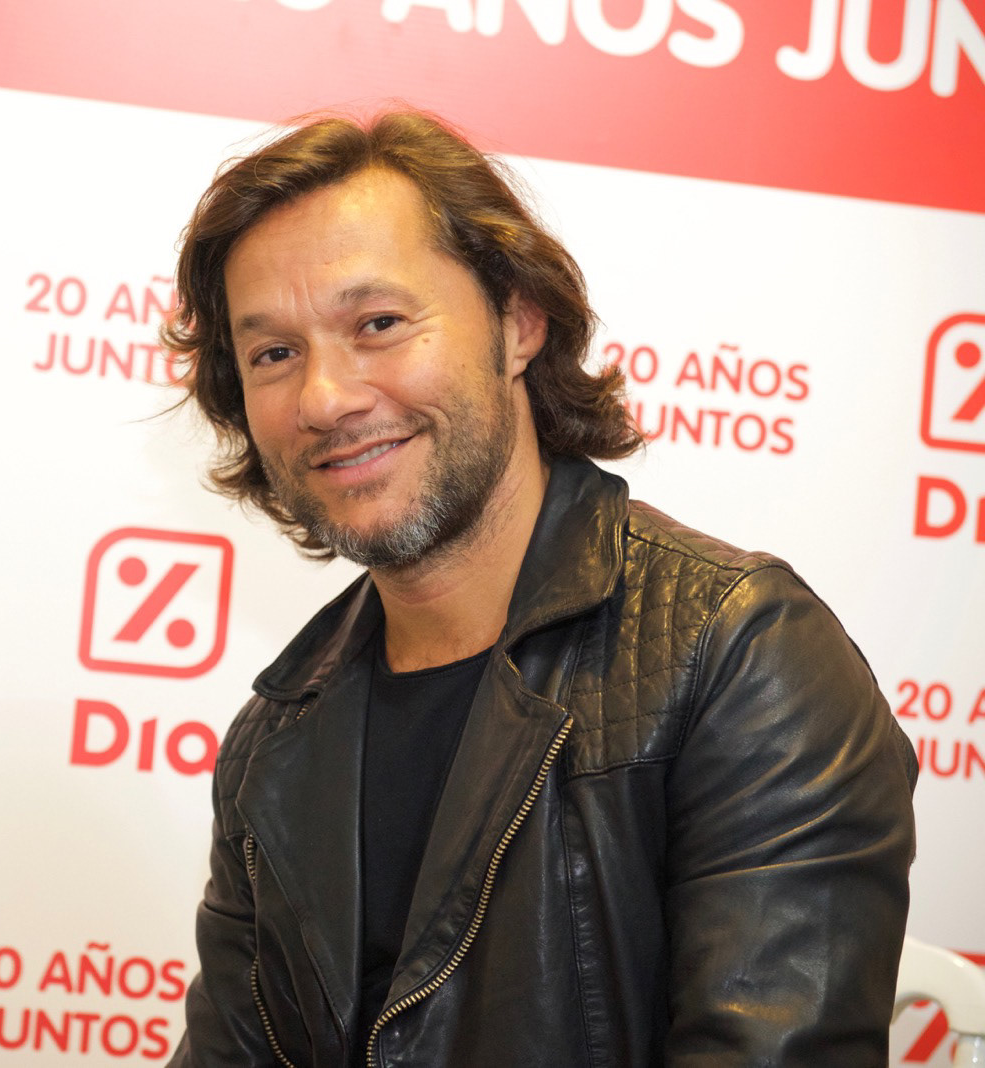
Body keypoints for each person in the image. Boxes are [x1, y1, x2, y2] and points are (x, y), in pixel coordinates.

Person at [162, 110, 917, 1067]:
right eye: (273, 353)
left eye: (379, 325)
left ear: (519, 323)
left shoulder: (741, 655)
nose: (324, 398)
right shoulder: (275, 736)